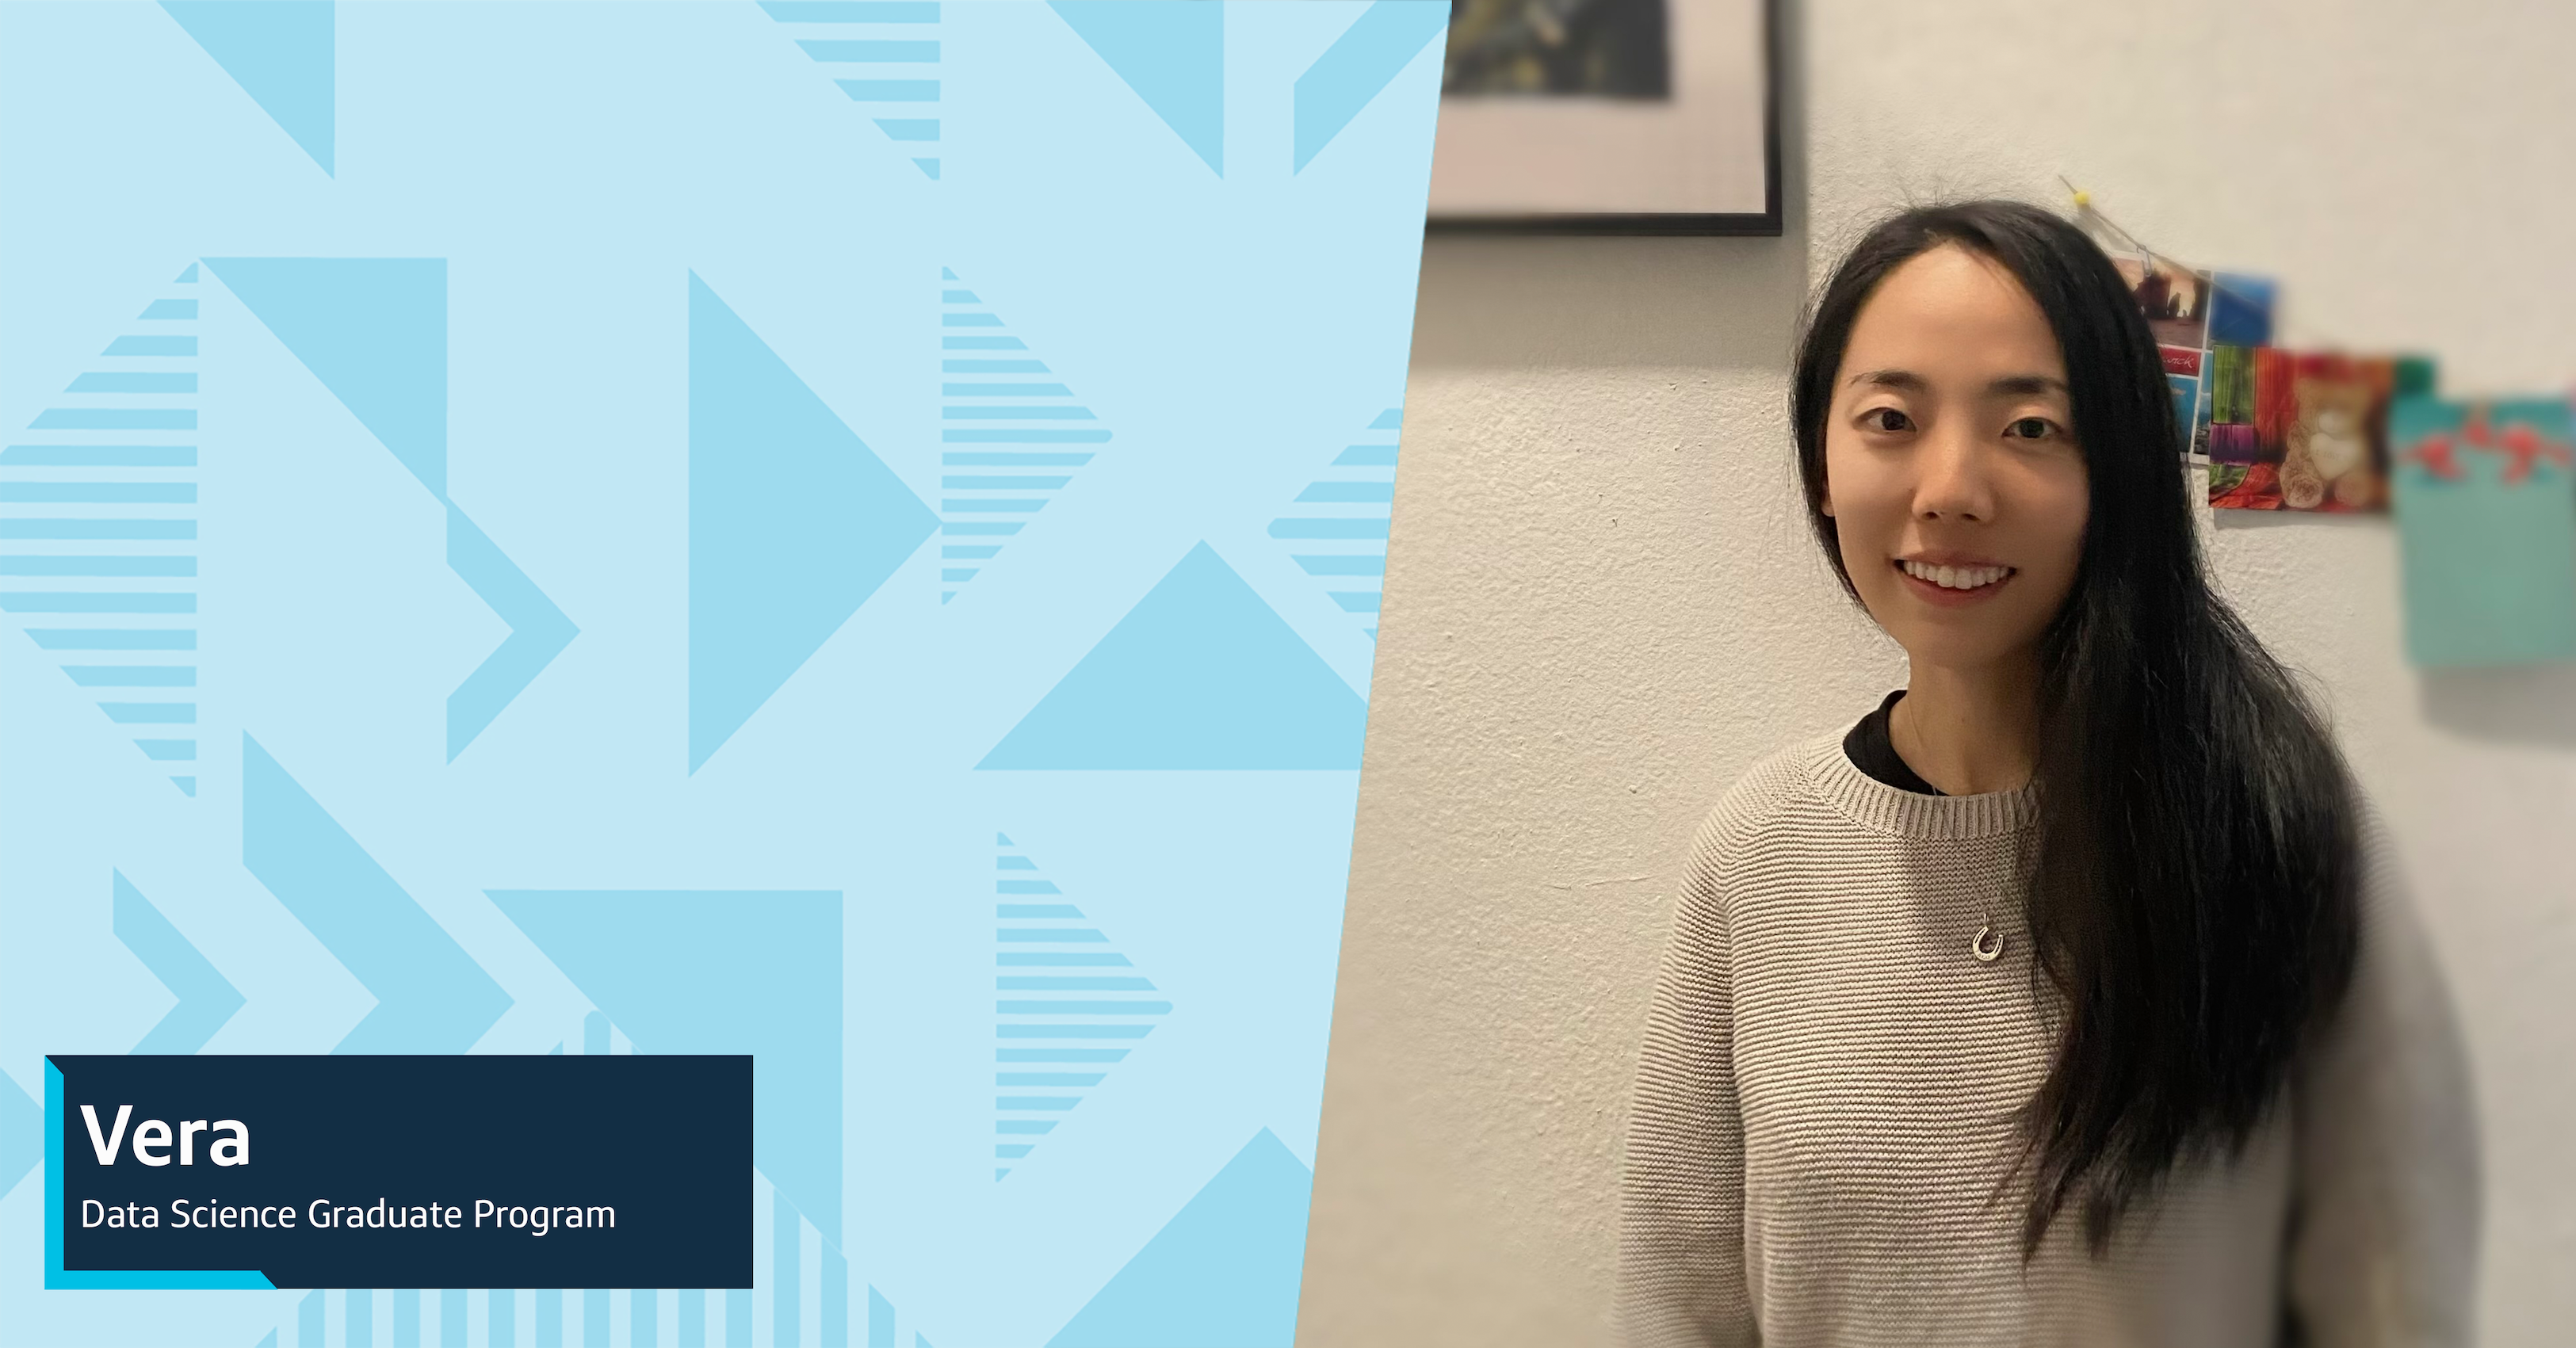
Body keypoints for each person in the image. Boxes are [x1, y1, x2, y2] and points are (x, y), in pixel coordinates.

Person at [1615, 200, 2479, 1346]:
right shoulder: (1759, 849)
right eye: (1888, 419)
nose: (1950, 488)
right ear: (1820, 467)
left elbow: (2389, 1291)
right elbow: (1678, 1298)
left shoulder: (2269, 824)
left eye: (2029, 428)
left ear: (2114, 470)